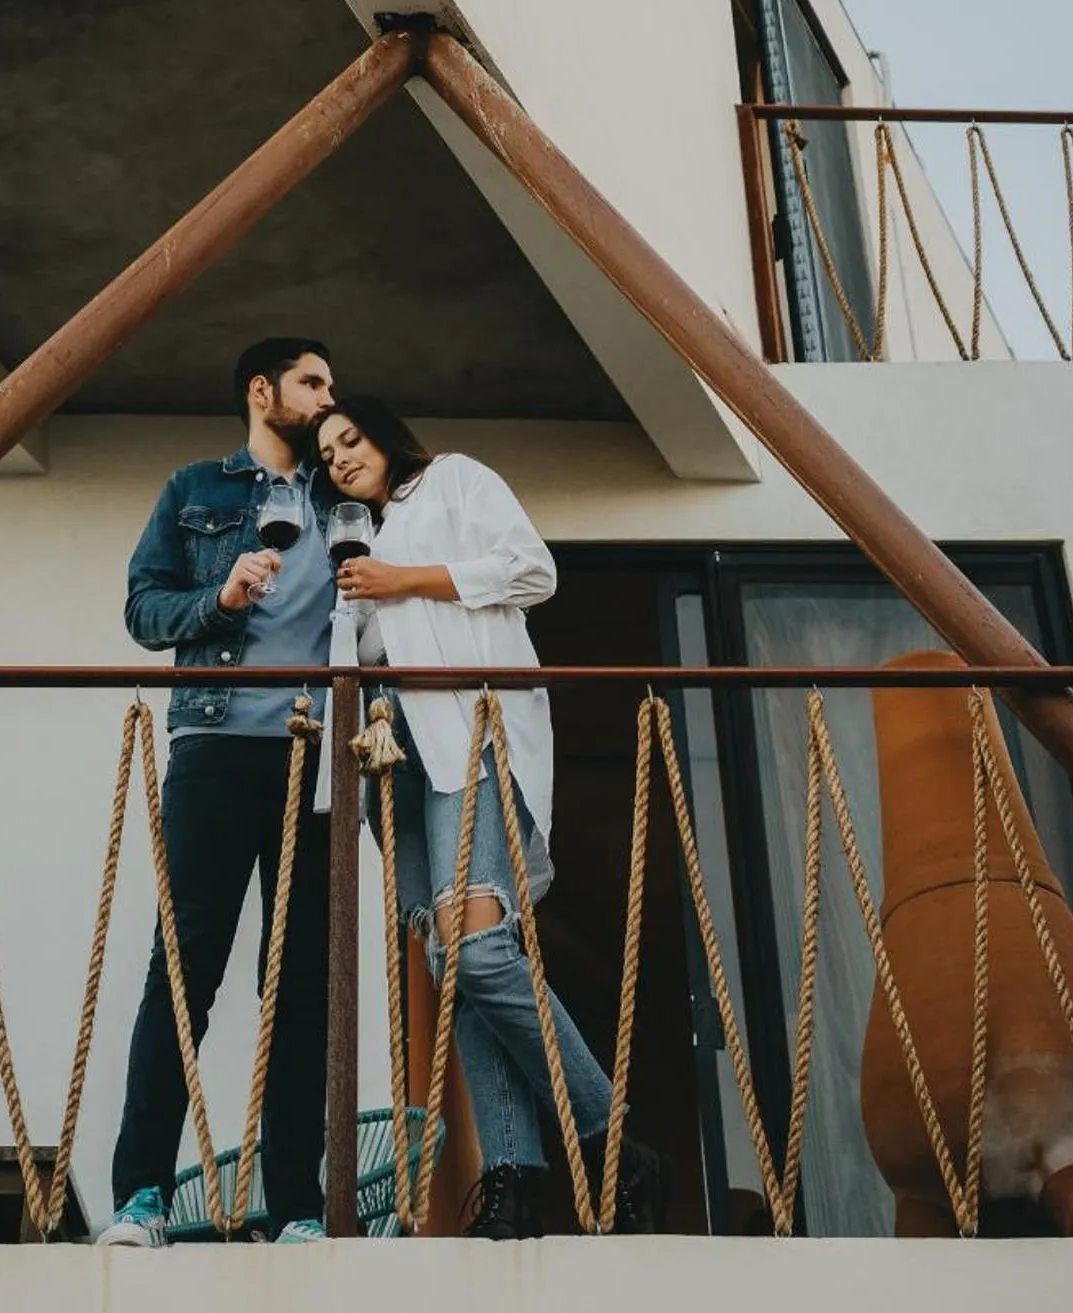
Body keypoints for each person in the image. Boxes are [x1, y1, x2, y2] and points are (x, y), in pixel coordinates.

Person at [316, 394, 668, 1240]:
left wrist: (401, 580)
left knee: (477, 950)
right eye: (324, 454)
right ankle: (511, 1177)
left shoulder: (453, 481)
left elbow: (532, 570)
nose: (337, 457)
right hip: (389, 754)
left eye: (349, 438)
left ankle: (611, 1136)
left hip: (467, 733)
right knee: (451, 967)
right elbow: (359, 653)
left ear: (384, 434)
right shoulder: (350, 540)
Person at [100, 338, 338, 1247]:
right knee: (184, 966)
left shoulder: (344, 494)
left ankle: (298, 1209)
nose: (326, 399)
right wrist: (221, 599)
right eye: (312, 382)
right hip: (214, 743)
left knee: (300, 987)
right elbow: (142, 608)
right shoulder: (197, 487)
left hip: (319, 759)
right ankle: (141, 1198)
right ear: (261, 389)